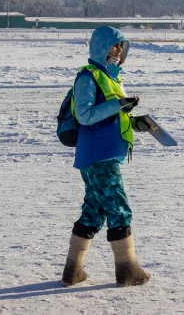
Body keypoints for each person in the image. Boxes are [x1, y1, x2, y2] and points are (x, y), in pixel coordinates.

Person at [61, 26, 152, 288]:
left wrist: (134, 121)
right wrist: (119, 104)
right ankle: (128, 270)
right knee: (119, 210)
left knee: (93, 212)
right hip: (97, 156)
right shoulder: (87, 77)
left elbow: (111, 116)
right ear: (101, 48)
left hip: (106, 153)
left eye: (121, 46)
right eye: (115, 46)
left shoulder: (111, 78)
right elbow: (86, 116)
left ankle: (72, 272)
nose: (119, 51)